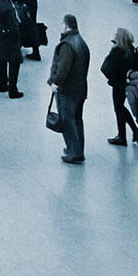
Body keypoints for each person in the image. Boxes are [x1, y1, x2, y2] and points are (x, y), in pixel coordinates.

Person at [48, 13, 90, 164]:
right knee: (77, 120)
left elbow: (63, 68)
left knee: (68, 122)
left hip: (68, 90)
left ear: (66, 26)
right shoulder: (80, 42)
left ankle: (73, 152)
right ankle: (78, 149)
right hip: (80, 89)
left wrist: (55, 83)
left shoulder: (67, 45)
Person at [101, 27, 138, 146]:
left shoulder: (117, 51)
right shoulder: (132, 50)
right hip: (128, 83)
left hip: (118, 84)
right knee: (120, 107)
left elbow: (105, 68)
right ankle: (129, 132)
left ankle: (125, 134)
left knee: (119, 108)